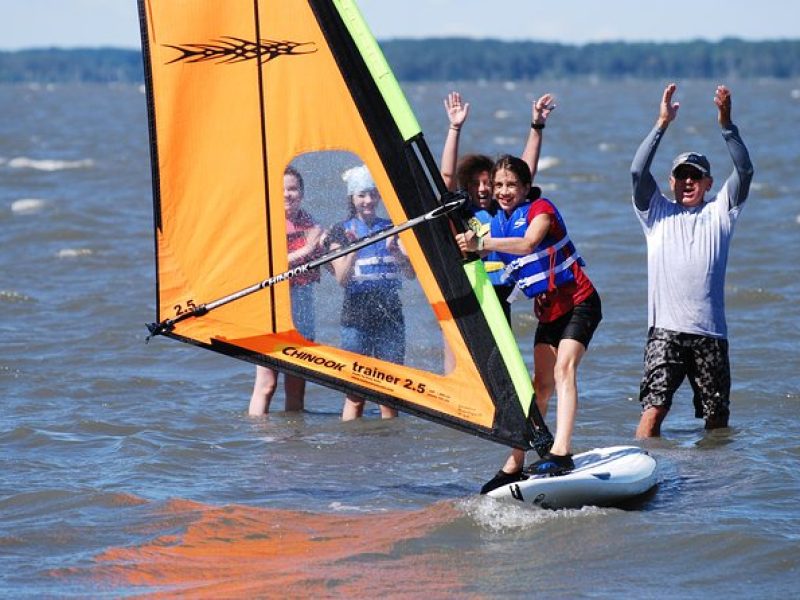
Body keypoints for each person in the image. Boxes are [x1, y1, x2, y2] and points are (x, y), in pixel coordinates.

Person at [456, 155, 602, 494]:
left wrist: (482, 244)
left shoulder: (540, 209)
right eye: (498, 186)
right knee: (540, 386)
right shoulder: (499, 223)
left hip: (581, 302)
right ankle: (516, 462)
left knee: (564, 370)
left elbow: (529, 244)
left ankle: (561, 452)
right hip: (549, 312)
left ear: (525, 187)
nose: (504, 192)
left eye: (511, 185)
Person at [631, 83, 754, 437]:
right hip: (665, 332)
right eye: (682, 175)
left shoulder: (721, 212)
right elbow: (638, 173)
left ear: (708, 182)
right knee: (653, 411)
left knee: (717, 422)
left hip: (710, 334)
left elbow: (744, 172)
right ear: (671, 181)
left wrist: (727, 124)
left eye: (695, 176)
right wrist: (661, 124)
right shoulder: (655, 213)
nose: (687, 181)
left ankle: (712, 480)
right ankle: (646, 468)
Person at [441, 91, 555, 323]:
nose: (482, 189)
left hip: (502, 292)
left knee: (500, 356)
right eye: (475, 184)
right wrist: (455, 128)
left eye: (487, 183)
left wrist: (537, 126)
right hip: (470, 292)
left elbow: (525, 171)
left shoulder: (504, 210)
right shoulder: (461, 211)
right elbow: (446, 177)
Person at [326, 165, 415, 420]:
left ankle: (390, 450)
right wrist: (353, 248)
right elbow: (342, 279)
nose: (368, 200)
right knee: (355, 395)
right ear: (352, 198)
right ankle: (352, 447)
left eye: (373, 194)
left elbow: (411, 274)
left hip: (390, 315)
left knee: (390, 393)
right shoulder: (339, 231)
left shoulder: (392, 227)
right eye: (361, 195)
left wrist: (396, 252)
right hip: (355, 317)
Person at [248, 166, 322, 415]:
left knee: (296, 386)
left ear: (301, 193)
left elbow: (320, 261)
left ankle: (295, 442)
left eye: (293, 189)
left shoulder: (309, 221)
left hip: (303, 307)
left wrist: (329, 243)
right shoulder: (266, 223)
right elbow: (269, 264)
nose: (287, 194)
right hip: (272, 310)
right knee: (267, 384)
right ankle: (259, 440)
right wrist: (307, 249)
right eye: (281, 190)